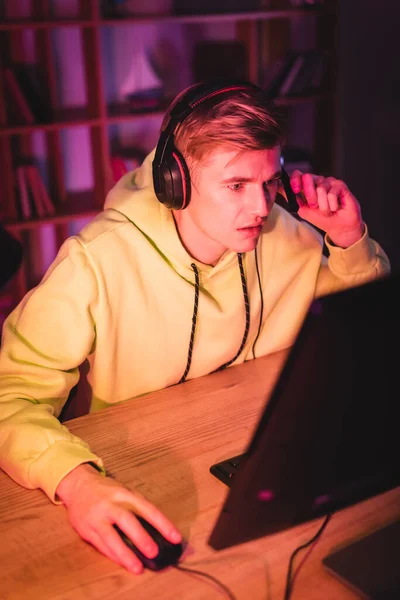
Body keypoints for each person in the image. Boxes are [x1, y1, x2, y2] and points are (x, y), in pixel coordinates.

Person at [0, 79, 390, 575]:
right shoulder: (94, 263)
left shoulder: (290, 236)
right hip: (141, 479)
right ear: (175, 181)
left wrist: (348, 240)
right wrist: (77, 483)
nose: (260, 206)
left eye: (270, 181)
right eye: (236, 185)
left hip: (254, 472)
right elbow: (9, 397)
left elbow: (358, 341)